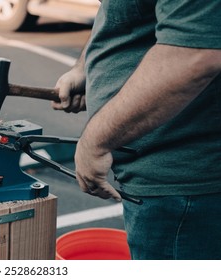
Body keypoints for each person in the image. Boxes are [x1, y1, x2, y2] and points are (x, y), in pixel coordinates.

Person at [51, 0, 221, 259]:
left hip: (184, 190)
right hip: (157, 183)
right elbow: (117, 9)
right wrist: (84, 66)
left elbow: (194, 55)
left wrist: (94, 142)